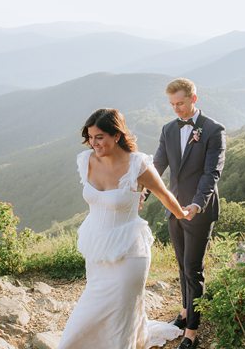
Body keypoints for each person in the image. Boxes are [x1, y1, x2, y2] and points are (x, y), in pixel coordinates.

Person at [58, 108, 187, 349]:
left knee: (121, 312)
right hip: (97, 248)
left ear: (116, 135)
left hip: (130, 250)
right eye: (90, 137)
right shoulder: (85, 161)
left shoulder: (137, 165)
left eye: (100, 137)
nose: (94, 143)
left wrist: (182, 214)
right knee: (89, 311)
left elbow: (164, 194)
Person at [150, 78, 226, 349]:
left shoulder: (214, 130)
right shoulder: (168, 129)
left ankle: (192, 331)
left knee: (193, 269)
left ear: (194, 99)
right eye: (172, 104)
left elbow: (211, 173)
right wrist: (143, 193)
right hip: (174, 208)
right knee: (181, 265)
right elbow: (157, 166)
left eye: (180, 103)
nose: (176, 109)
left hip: (198, 211)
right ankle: (185, 312)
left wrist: (197, 204)